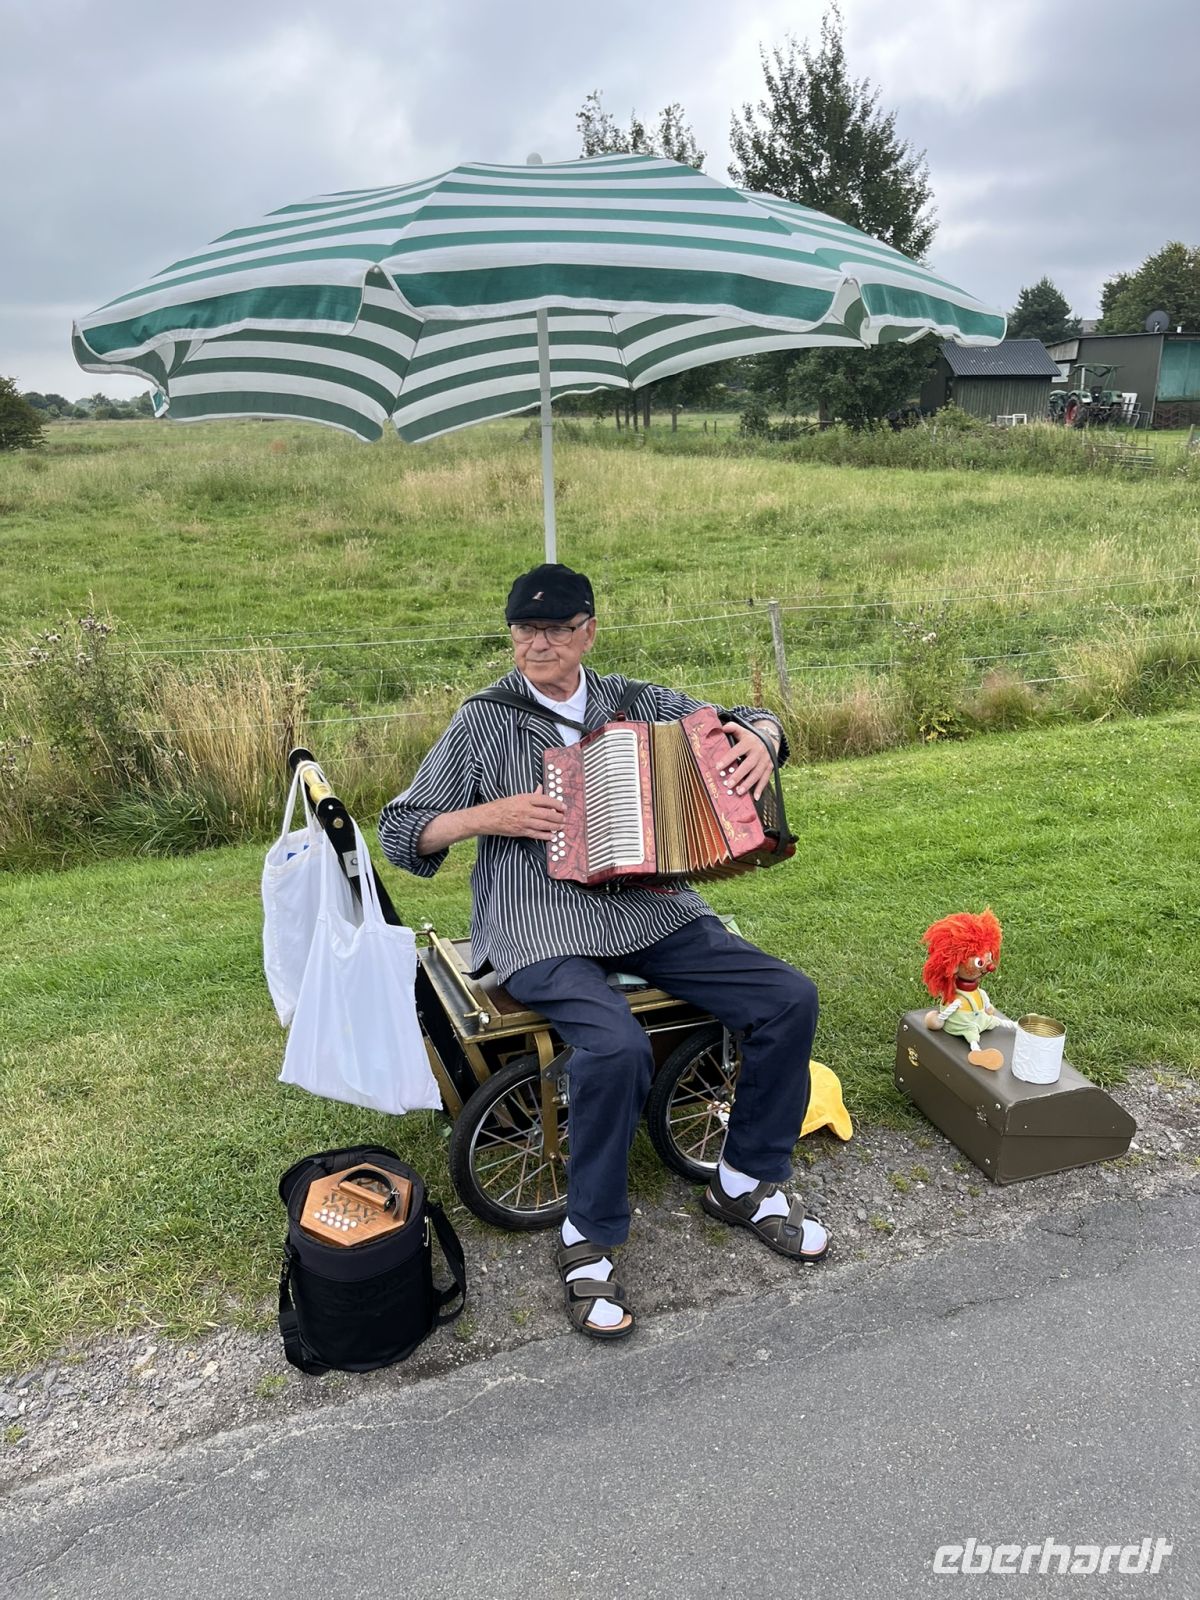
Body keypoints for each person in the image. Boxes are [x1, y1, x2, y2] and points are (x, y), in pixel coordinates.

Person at [379, 563, 829, 1340]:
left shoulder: (635, 702)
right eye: (524, 630)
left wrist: (762, 737)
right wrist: (486, 816)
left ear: (588, 630)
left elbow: (742, 717)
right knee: (614, 1044)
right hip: (536, 919)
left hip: (650, 907)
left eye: (554, 630)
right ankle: (588, 1236)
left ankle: (745, 1180)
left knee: (789, 998)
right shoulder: (484, 720)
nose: (535, 645)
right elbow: (400, 830)